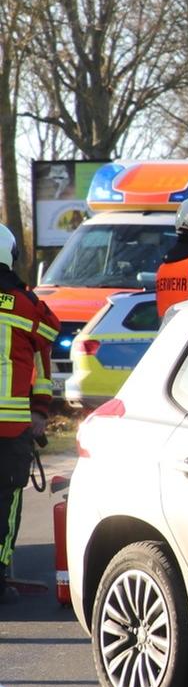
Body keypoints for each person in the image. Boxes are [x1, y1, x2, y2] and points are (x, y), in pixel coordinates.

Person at [0, 224, 57, 605]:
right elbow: (46, 344)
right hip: (10, 426)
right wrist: (39, 410)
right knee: (6, 500)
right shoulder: (26, 305)